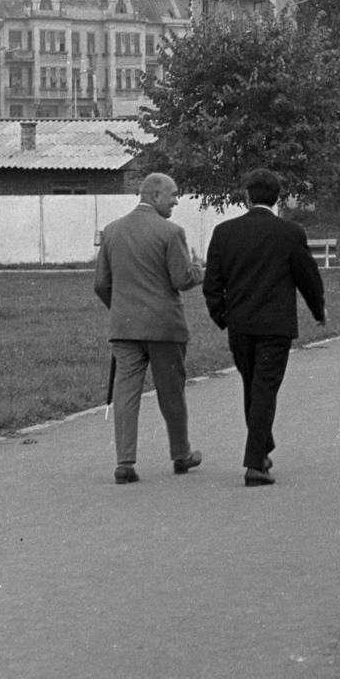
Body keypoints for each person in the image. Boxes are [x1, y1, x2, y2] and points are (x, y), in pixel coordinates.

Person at [202, 168, 327, 487]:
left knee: (253, 386)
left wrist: (222, 317)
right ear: (278, 197)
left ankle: (262, 447)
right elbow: (308, 277)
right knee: (264, 389)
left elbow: (212, 284)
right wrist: (318, 310)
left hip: (240, 327)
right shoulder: (289, 232)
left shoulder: (224, 232)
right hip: (275, 326)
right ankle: (255, 464)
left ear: (246, 196)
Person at [94, 172, 204, 485]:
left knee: (126, 394)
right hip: (164, 328)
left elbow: (101, 283)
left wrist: (119, 309)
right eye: (172, 194)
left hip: (124, 328)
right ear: (154, 195)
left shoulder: (112, 231)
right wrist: (198, 270)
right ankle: (181, 456)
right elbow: (181, 280)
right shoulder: (171, 232)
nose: (176, 200)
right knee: (171, 393)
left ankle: (124, 463)